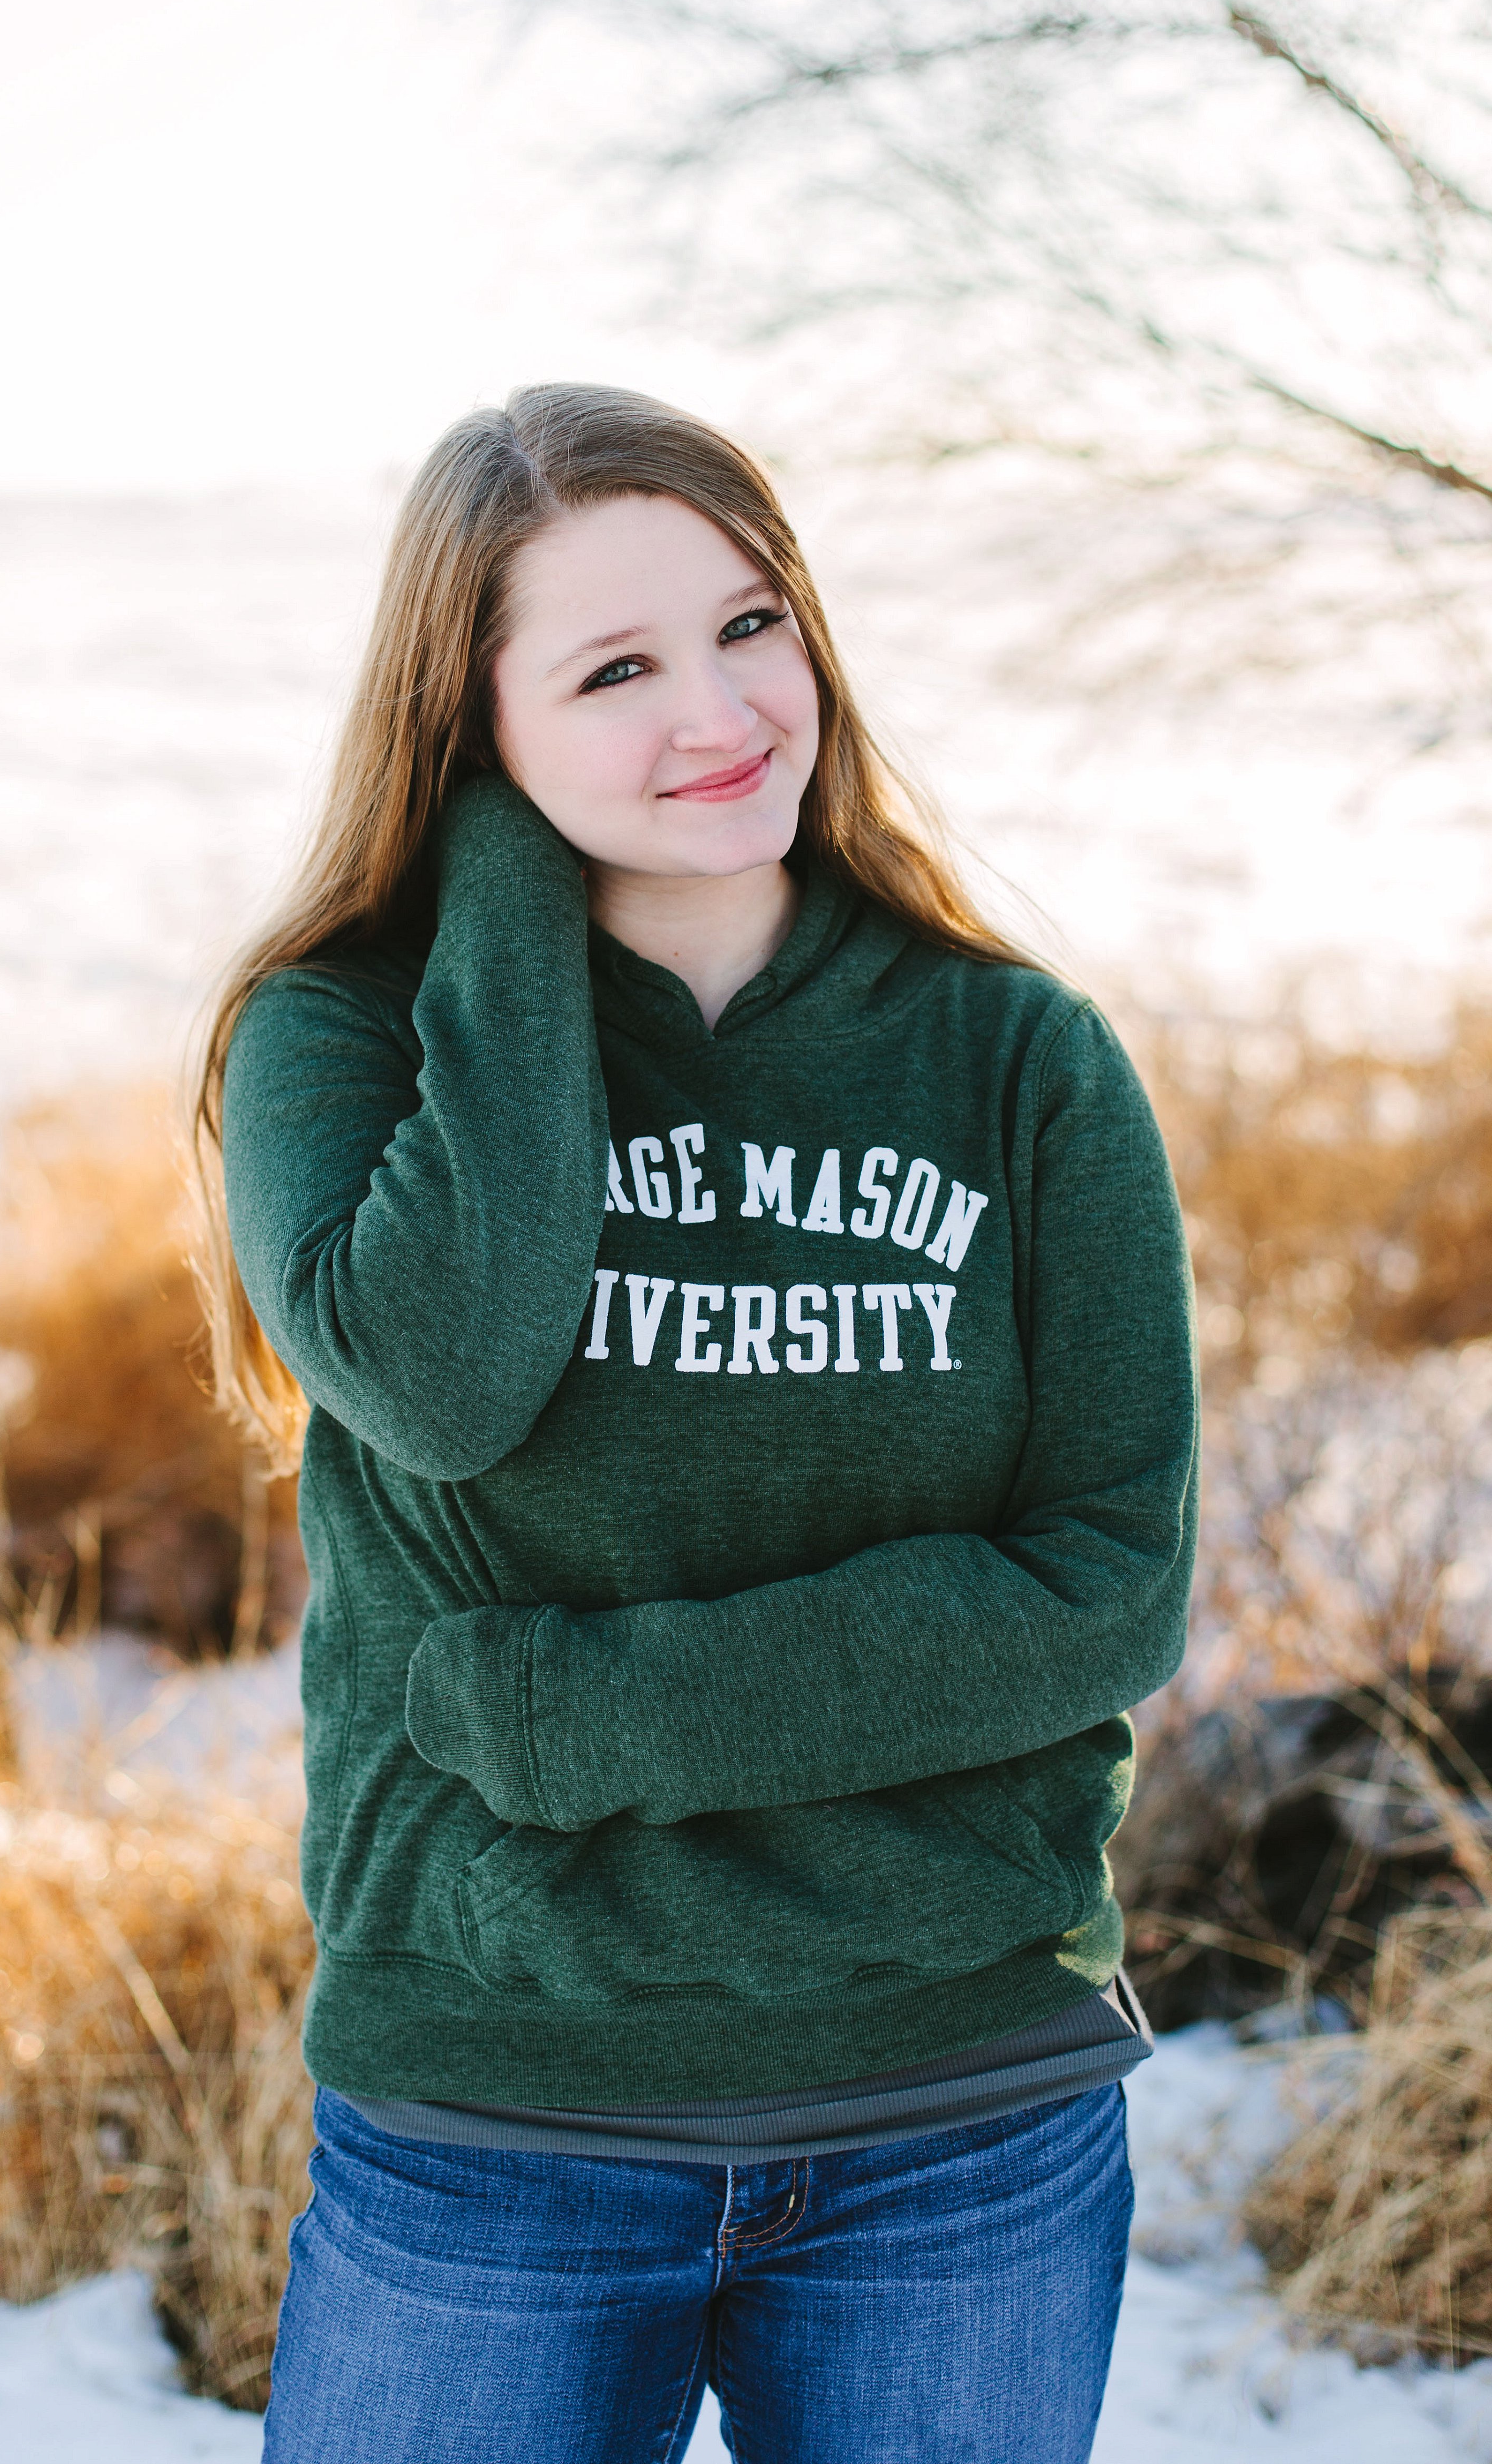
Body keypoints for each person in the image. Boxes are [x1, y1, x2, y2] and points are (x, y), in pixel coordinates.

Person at [196, 383, 1198, 2462]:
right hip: (500, 2122)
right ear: (469, 730)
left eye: (751, 623)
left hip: (959, 2117)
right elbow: (447, 1377)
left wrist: (583, 1718)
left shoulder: (1021, 1064)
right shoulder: (342, 1039)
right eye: (611, 669)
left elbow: (1097, 1592)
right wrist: (499, 888)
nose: (721, 709)